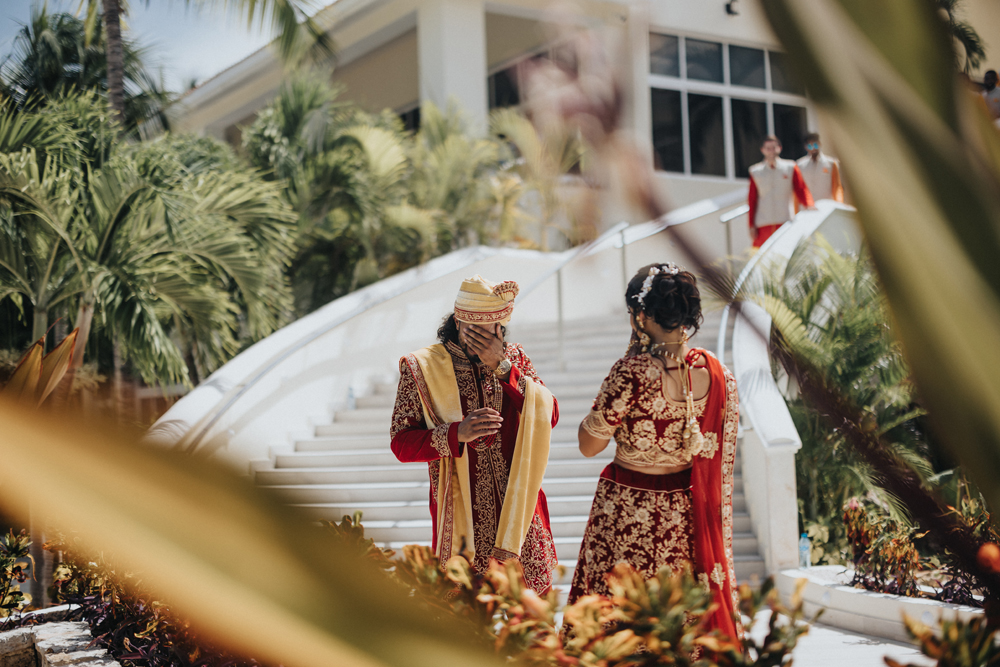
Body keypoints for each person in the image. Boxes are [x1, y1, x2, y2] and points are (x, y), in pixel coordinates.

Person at [569, 263, 741, 641]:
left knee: (619, 617)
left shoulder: (633, 372)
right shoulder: (715, 372)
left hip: (628, 510)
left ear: (641, 316)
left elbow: (588, 445)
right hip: (684, 516)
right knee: (675, 619)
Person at [390, 275, 559, 592]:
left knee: (533, 619)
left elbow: (548, 415)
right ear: (458, 321)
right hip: (461, 513)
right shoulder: (422, 368)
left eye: (494, 330)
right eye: (477, 331)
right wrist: (455, 434)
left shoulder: (515, 358)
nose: (487, 338)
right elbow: (401, 443)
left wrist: (505, 368)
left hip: (519, 507)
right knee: (466, 622)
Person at [747, 135, 813, 248]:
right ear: (762, 150)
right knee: (764, 258)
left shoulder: (790, 167)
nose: (771, 151)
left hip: (785, 220)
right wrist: (751, 224)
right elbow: (752, 199)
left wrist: (809, 205)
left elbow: (801, 189)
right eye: (768, 148)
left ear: (779, 148)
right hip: (763, 223)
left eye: (774, 147)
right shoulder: (755, 171)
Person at [796, 133, 844, 203]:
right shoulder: (800, 165)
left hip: (826, 206)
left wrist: (839, 203)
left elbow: (837, 187)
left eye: (815, 145)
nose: (813, 148)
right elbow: (798, 189)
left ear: (820, 144)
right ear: (806, 147)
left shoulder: (831, 163)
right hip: (808, 208)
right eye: (810, 146)